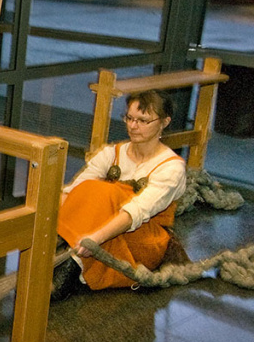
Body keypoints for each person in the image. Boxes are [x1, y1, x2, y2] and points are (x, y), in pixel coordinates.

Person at [52, 90, 187, 301]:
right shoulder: (111, 154)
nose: (133, 126)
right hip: (92, 227)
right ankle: (61, 255)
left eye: (143, 120)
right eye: (130, 118)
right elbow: (74, 191)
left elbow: (137, 211)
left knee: (104, 191)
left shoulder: (171, 168)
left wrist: (94, 239)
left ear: (164, 122)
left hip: (140, 238)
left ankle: (70, 267)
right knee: (88, 188)